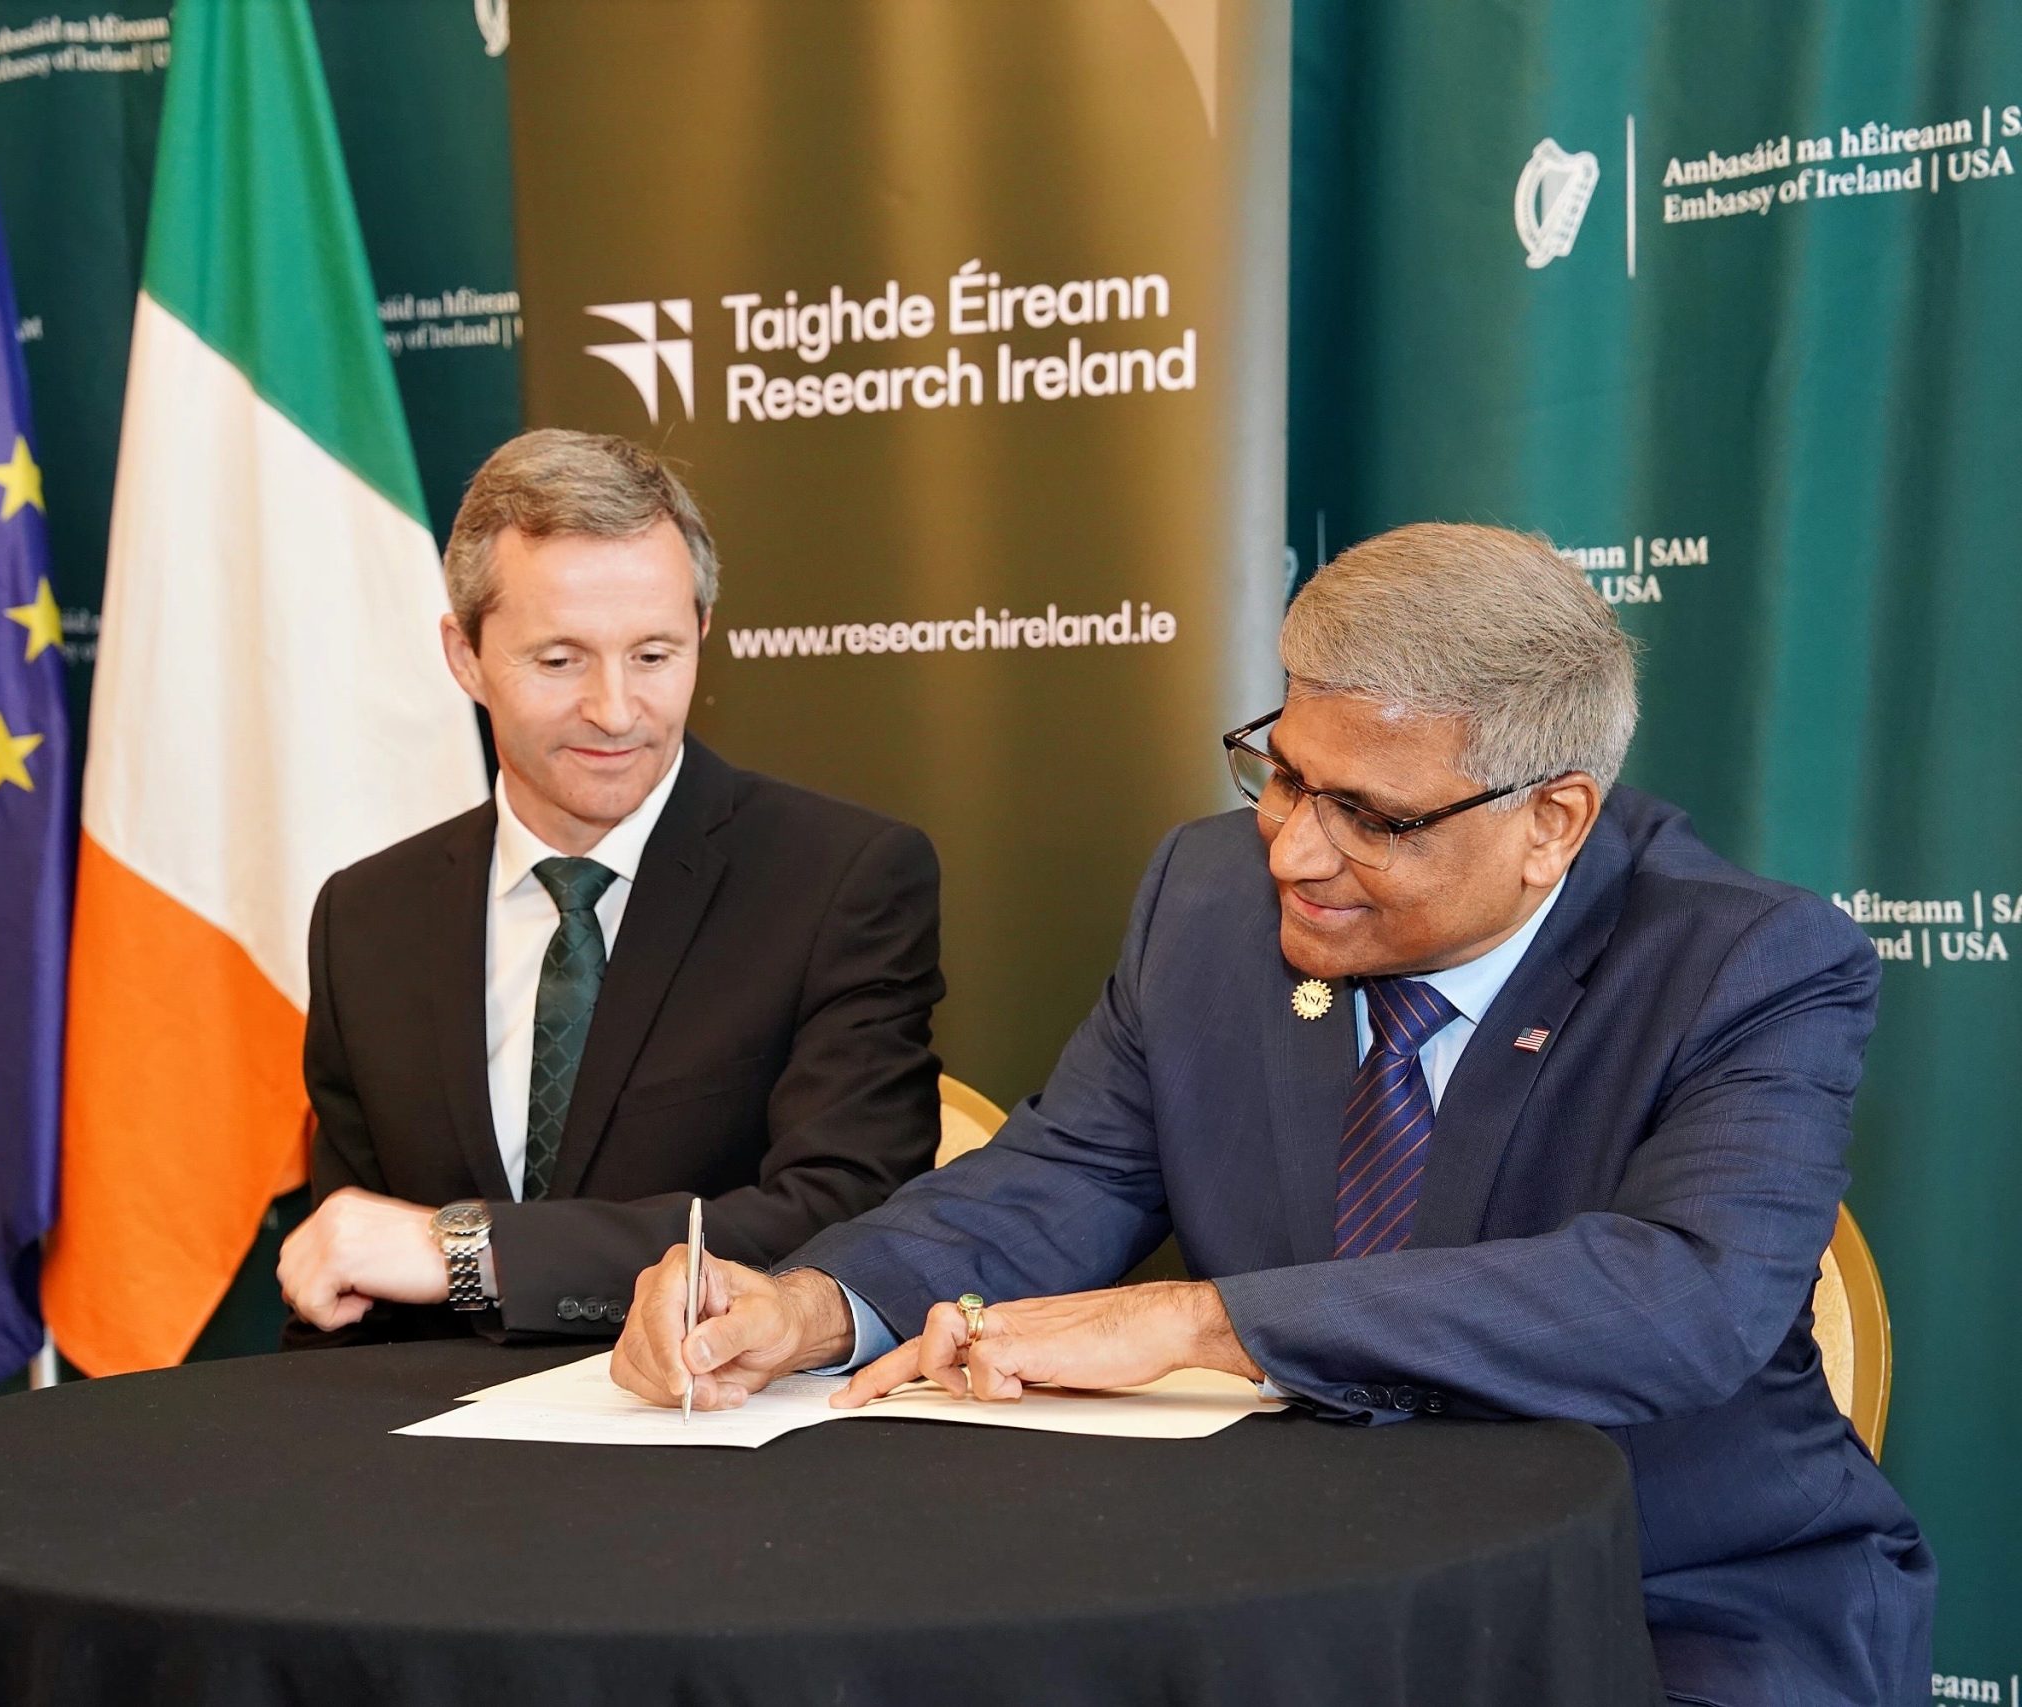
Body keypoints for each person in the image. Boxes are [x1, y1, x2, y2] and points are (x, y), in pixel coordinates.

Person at [610, 523, 1933, 1707]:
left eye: (1371, 815)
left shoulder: (1748, 964)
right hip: (1284, 1584)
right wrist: (812, 1306)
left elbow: (1688, 1298)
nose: (1294, 848)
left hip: (1661, 1596)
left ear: (1554, 821)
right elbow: (1065, 1172)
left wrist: (1211, 1317)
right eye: (1285, 775)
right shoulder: (1206, 895)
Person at [276, 428, 943, 1347]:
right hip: (426, 1463)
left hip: (719, 1446)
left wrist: (478, 1250)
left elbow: (846, 1215)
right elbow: (348, 1281)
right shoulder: (366, 919)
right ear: (464, 655)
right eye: (560, 660)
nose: (616, 709)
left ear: (703, 631)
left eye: (655, 655)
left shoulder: (840, 881)